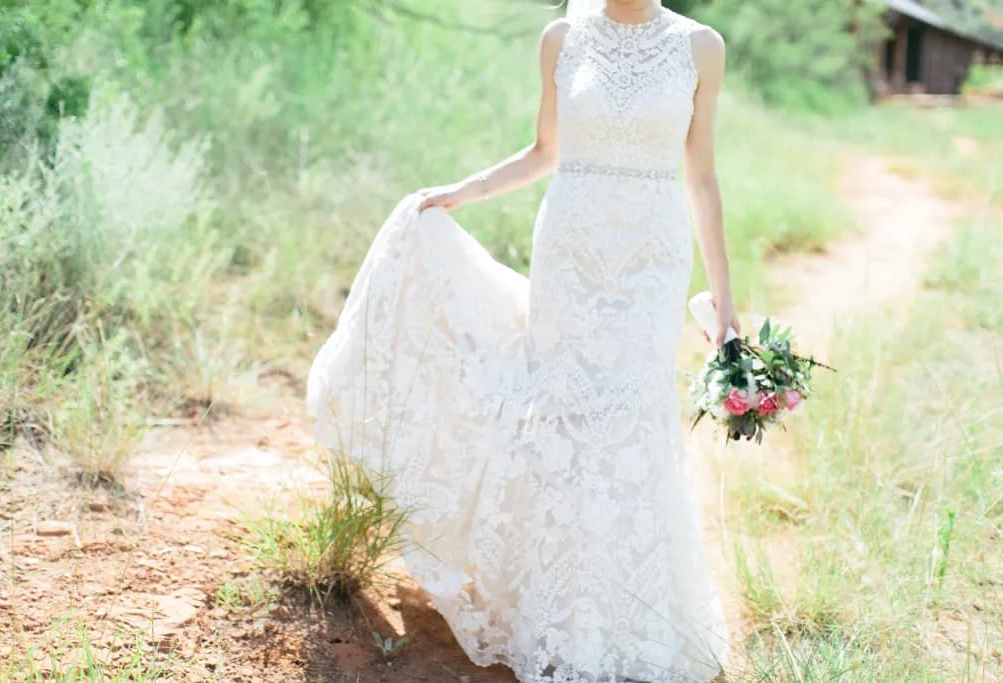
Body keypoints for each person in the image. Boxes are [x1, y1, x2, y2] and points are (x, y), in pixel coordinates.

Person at [307, 0, 736, 680]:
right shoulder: (562, 38)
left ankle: (636, 617)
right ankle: (557, 614)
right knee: (564, 416)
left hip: (652, 259)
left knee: (630, 418)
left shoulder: (700, 47)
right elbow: (546, 152)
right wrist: (464, 190)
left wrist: (727, 304)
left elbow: (702, 177)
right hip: (569, 253)